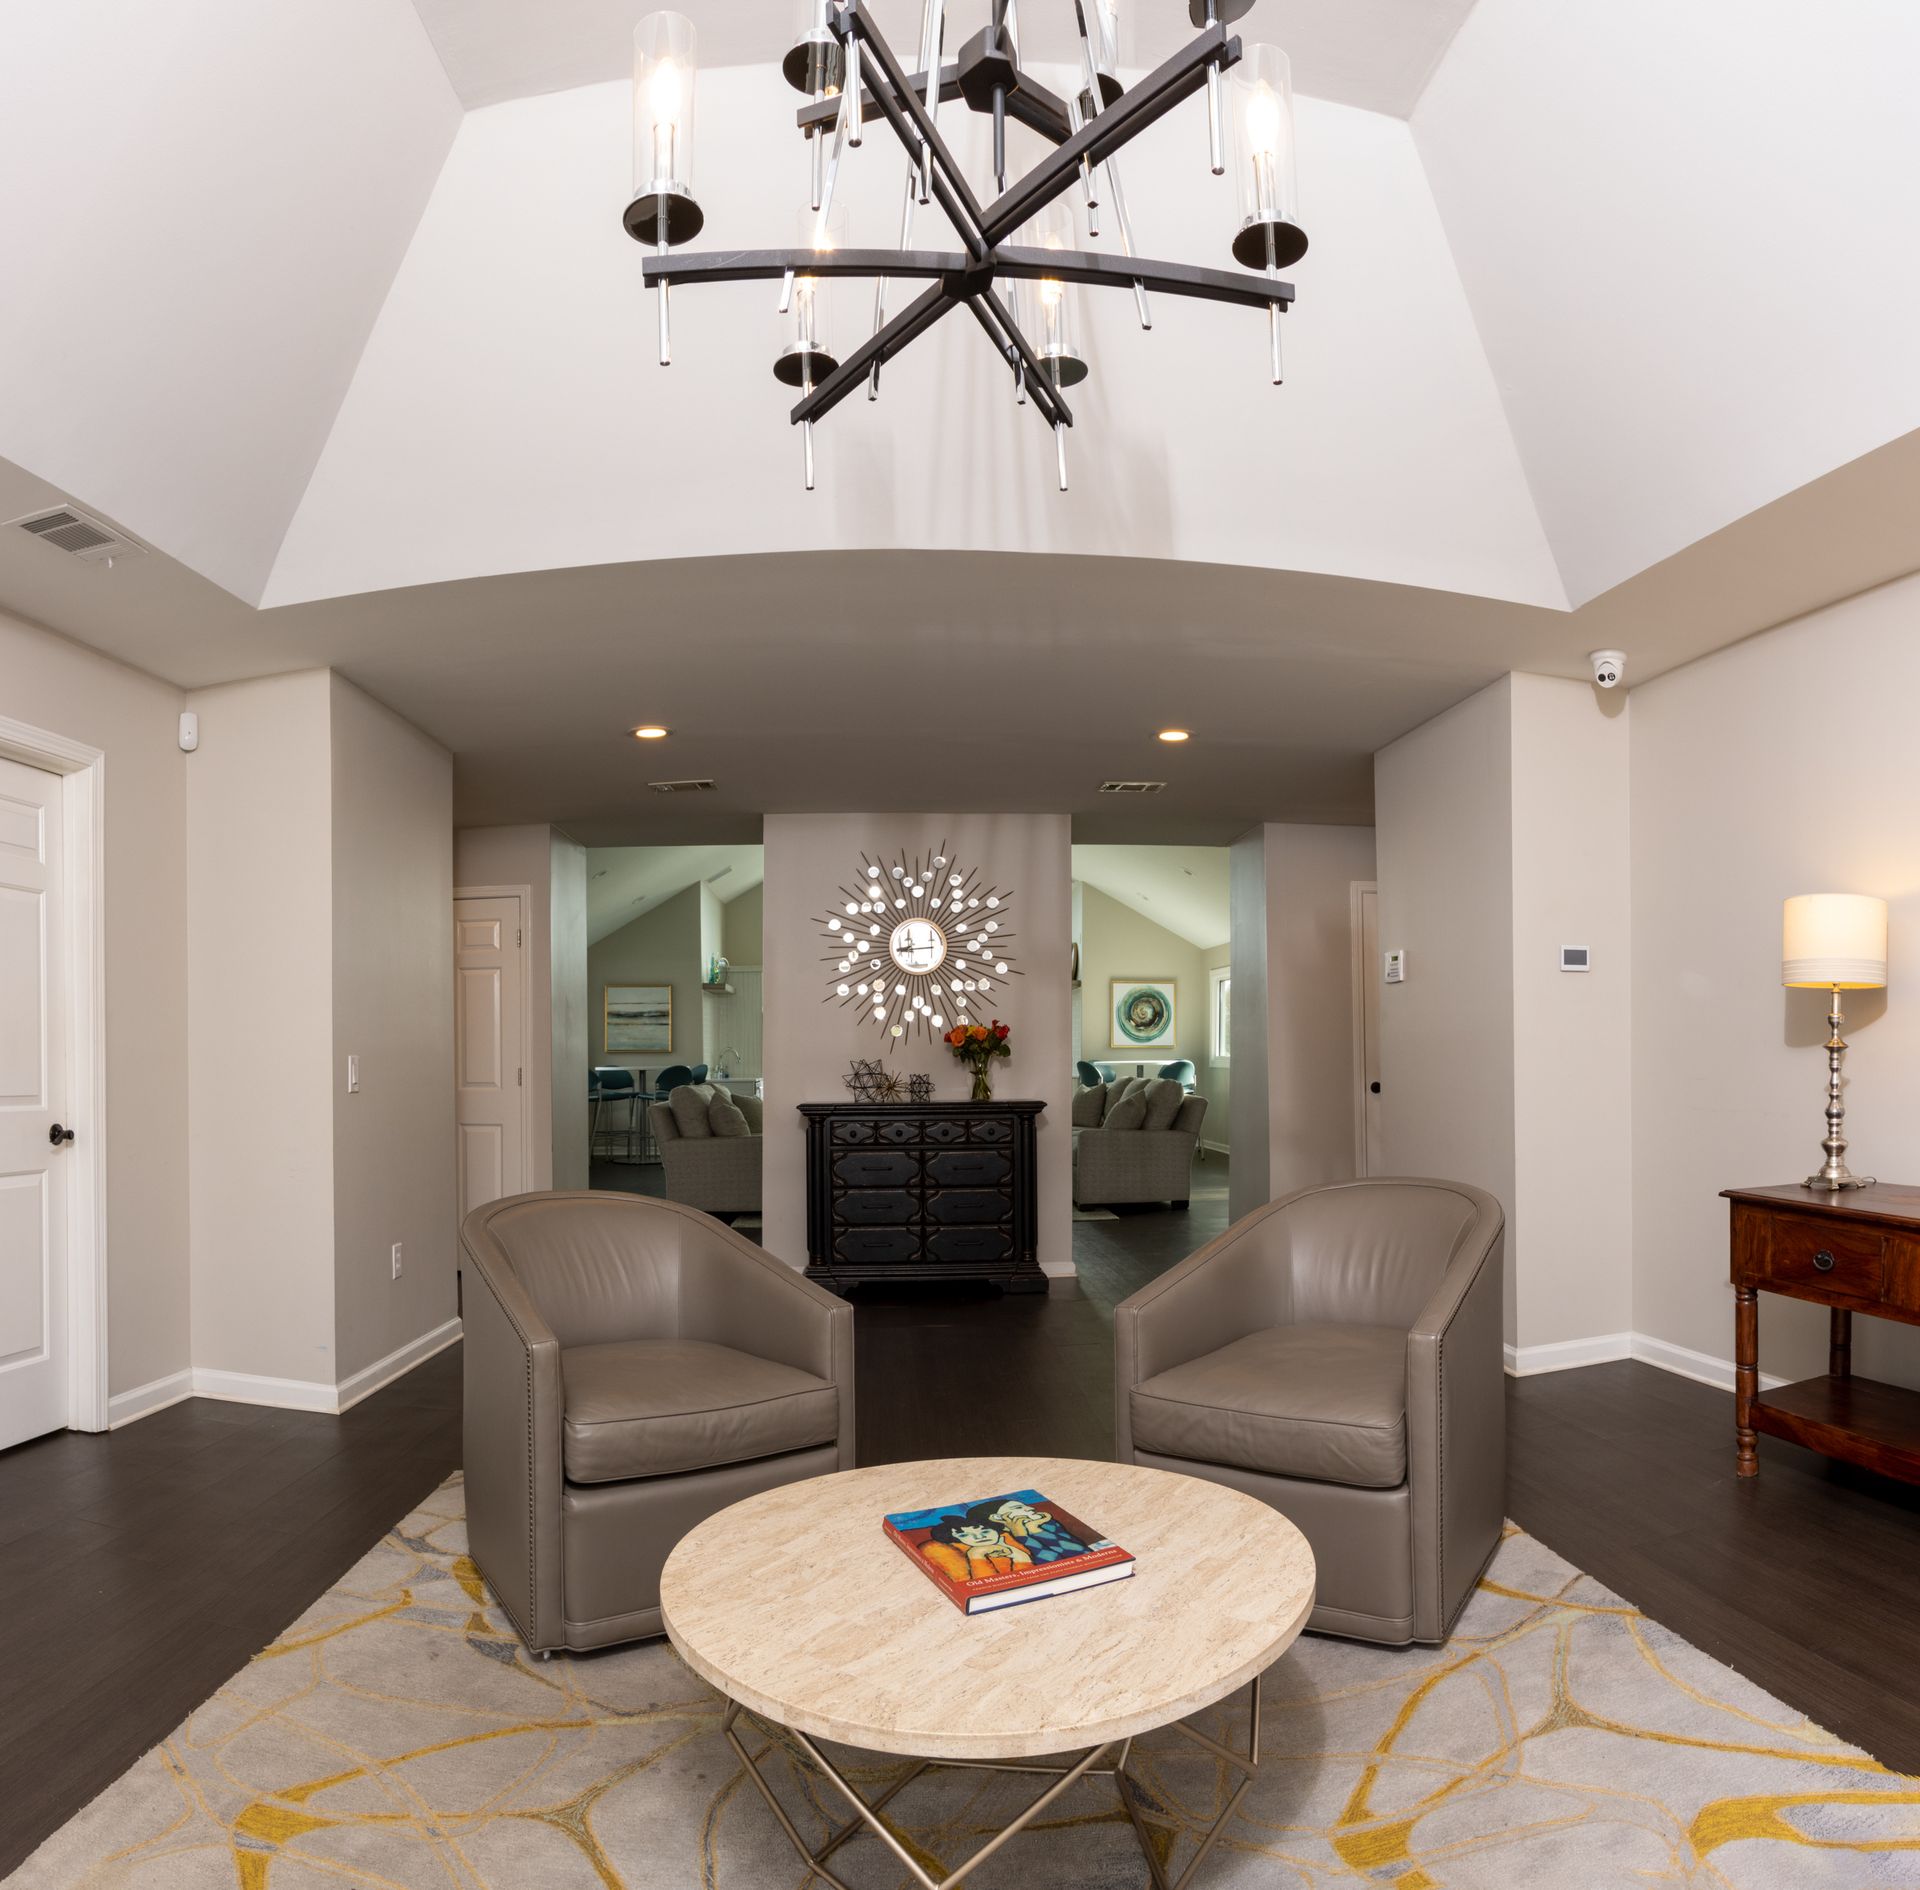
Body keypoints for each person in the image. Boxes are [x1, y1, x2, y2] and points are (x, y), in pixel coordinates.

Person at [920, 1509, 1034, 1584]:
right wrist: (976, 1555)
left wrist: (1021, 1556)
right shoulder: (937, 1549)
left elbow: (1028, 1580)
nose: (979, 1537)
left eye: (985, 1531)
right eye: (964, 1534)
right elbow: (986, 1587)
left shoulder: (1006, 1539)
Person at [988, 1497, 1091, 1564]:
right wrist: (1021, 1535)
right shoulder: (997, 1538)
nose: (1030, 1509)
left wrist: (1034, 1529)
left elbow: (1084, 1556)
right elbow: (1054, 1562)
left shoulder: (1047, 1525)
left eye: (1026, 1506)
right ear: (997, 1517)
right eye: (1018, 1507)